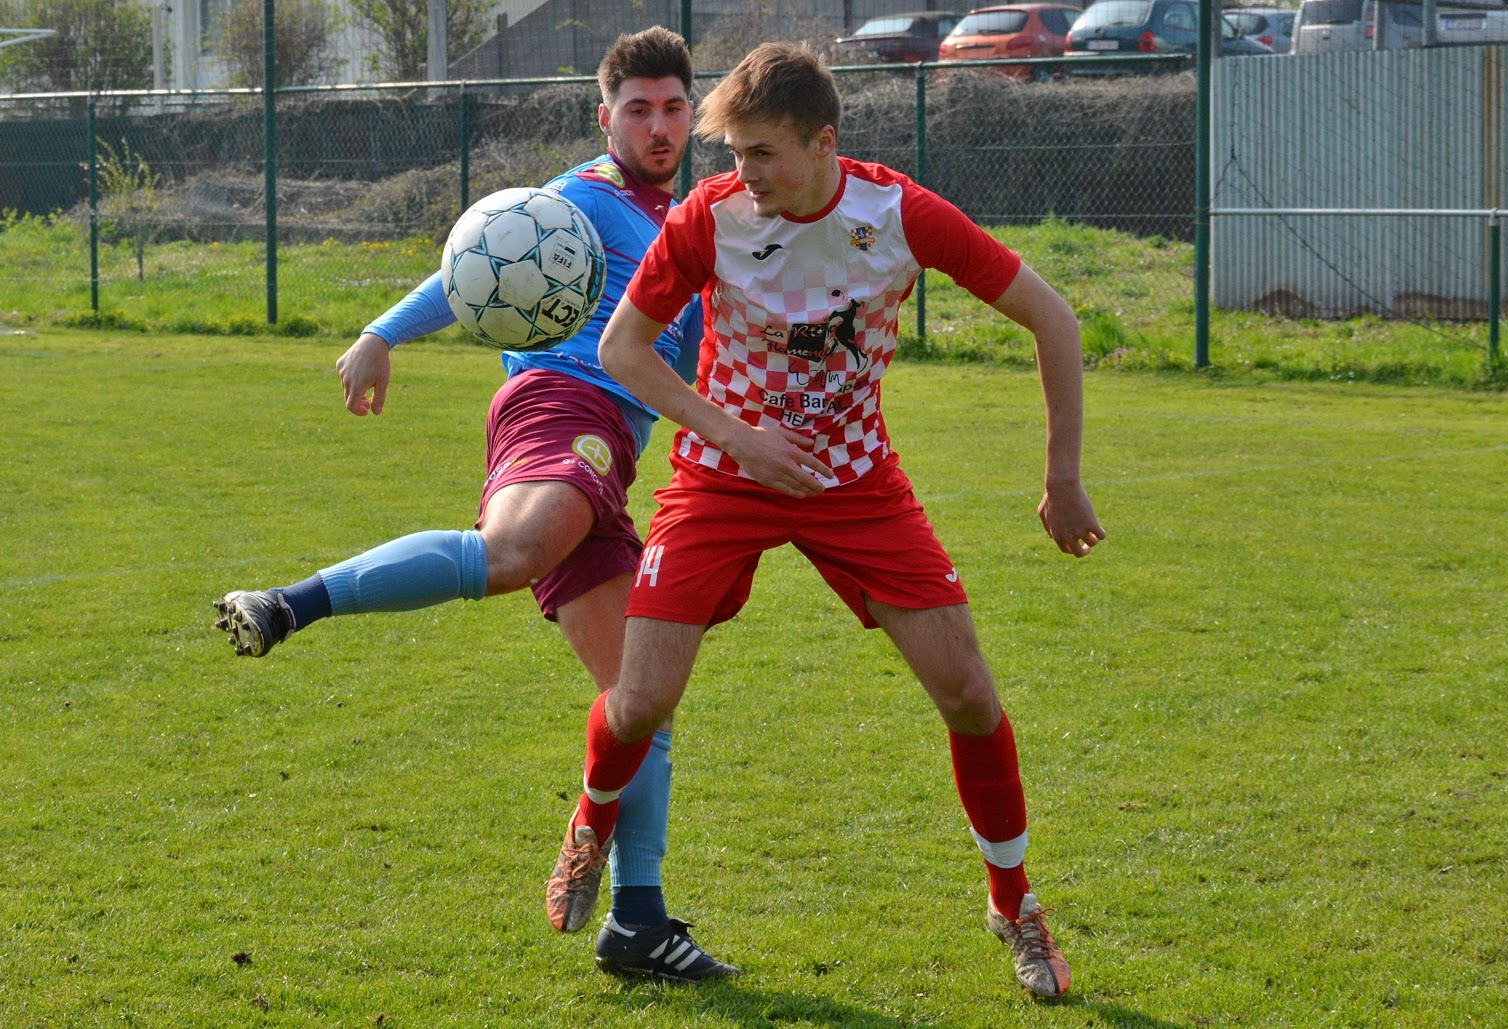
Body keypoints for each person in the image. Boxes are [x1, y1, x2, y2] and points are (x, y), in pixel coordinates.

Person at [548, 42, 1105, 998]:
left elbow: (1053, 319)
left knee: (969, 694)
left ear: (823, 143)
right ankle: (592, 817)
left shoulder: (897, 213)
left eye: (760, 153)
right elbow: (624, 349)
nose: (738, 173)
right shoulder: (709, 218)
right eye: (730, 152)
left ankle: (1013, 904)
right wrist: (741, 438)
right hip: (724, 474)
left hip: (855, 482)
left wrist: (1063, 479)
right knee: (639, 703)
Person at [210, 27, 738, 983]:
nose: (659, 126)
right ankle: (292, 602)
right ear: (605, 115)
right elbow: (476, 266)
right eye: (639, 109)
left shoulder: (687, 215)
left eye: (673, 108)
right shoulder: (579, 198)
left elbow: (698, 343)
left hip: (611, 449)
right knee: (512, 552)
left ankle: (637, 918)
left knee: (640, 700)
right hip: (559, 407)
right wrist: (381, 331)